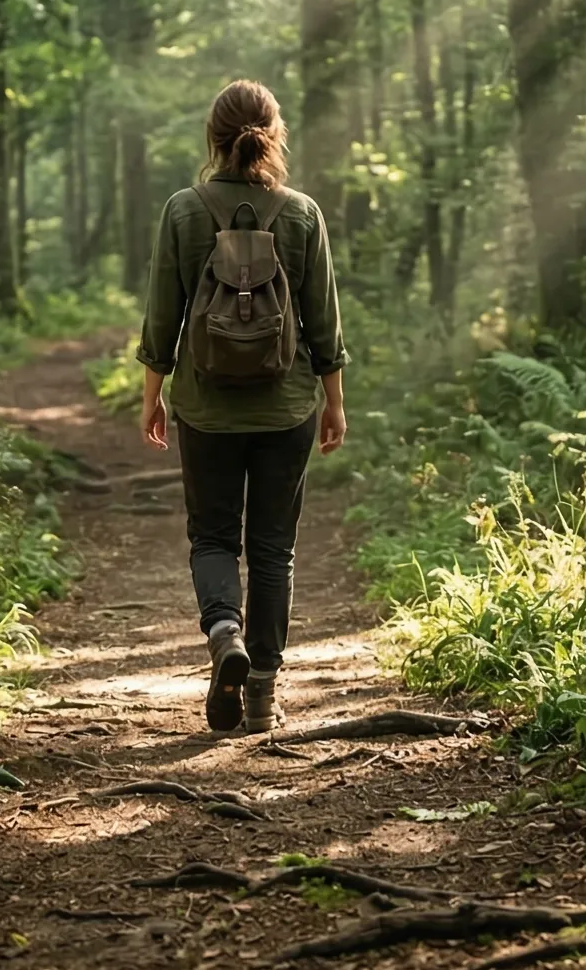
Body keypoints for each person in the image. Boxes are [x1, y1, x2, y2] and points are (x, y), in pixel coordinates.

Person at [134, 79, 347, 733]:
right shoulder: (303, 213)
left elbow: (161, 317)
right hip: (287, 408)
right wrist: (334, 403)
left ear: (213, 136)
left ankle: (225, 634)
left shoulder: (183, 209)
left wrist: (154, 397)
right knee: (274, 550)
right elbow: (323, 325)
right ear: (274, 133)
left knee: (215, 538)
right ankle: (260, 692)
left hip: (205, 406)